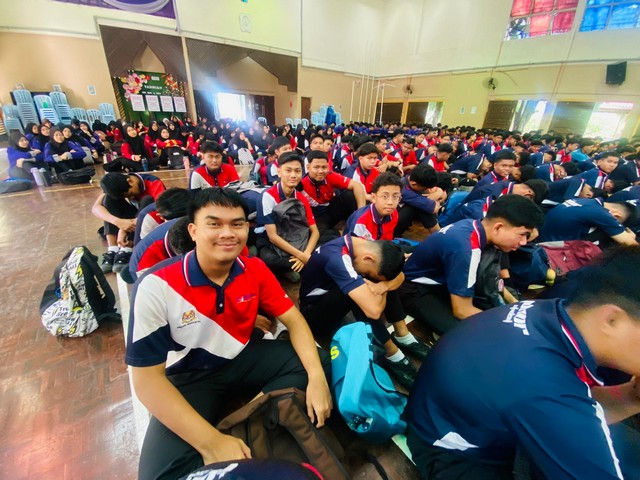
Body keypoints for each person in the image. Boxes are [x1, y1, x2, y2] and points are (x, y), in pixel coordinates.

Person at [126, 188, 332, 480]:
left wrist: (318, 379)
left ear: (247, 229)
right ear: (193, 230)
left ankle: (242, 420)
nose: (228, 233)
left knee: (320, 363)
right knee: (160, 476)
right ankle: (243, 426)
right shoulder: (156, 285)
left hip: (243, 356)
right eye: (214, 224)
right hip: (191, 377)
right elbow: (147, 380)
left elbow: (295, 321)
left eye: (237, 224)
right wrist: (210, 442)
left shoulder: (254, 268)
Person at [406, 247, 640, 480]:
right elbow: (553, 404)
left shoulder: (551, 314)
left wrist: (632, 396)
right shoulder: (543, 383)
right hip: (455, 452)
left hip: (468, 417)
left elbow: (574, 408)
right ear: (612, 320)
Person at [399, 195, 544, 335]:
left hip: (442, 280)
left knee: (489, 308)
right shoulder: (466, 249)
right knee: (472, 333)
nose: (524, 242)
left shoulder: (476, 226)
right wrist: (507, 326)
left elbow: (493, 281)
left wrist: (514, 303)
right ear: (498, 227)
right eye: (522, 234)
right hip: (414, 289)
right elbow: (462, 310)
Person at [299, 234, 420, 387]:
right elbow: (374, 311)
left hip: (332, 300)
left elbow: (399, 276)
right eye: (368, 272)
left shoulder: (362, 246)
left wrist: (383, 285)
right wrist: (382, 287)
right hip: (314, 315)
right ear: (368, 258)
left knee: (381, 277)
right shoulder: (337, 259)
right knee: (361, 293)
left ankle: (402, 334)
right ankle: (392, 354)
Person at [255, 152, 319, 282]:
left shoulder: (301, 198)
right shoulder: (268, 196)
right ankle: (294, 268)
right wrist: (302, 256)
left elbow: (315, 231)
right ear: (279, 172)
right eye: (288, 170)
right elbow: (273, 236)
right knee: (267, 258)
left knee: (330, 239)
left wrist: (306, 255)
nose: (293, 175)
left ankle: (292, 268)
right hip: (273, 241)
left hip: (296, 237)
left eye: (297, 171)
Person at [92, 172, 166, 273]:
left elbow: (160, 210)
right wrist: (118, 222)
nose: (131, 198)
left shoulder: (154, 183)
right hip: (134, 218)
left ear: (130, 181)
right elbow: (95, 208)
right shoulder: (117, 183)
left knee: (147, 200)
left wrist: (123, 229)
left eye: (130, 194)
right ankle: (113, 249)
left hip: (151, 219)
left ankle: (127, 249)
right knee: (108, 199)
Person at [300, 150, 366, 238]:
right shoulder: (301, 184)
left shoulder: (330, 176)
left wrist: (360, 213)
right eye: (316, 167)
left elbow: (357, 186)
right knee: (319, 234)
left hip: (330, 210)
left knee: (350, 195)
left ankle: (357, 224)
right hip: (316, 218)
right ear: (308, 167)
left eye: (324, 167)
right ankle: (339, 235)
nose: (321, 171)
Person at [539, 197, 638, 246]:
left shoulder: (587, 201)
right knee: (606, 235)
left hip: (542, 234)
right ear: (617, 215)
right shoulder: (602, 213)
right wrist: (631, 237)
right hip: (549, 247)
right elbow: (632, 246)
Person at [393, 163, 445, 237]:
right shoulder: (404, 190)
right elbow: (434, 208)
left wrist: (439, 192)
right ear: (414, 184)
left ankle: (439, 235)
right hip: (390, 226)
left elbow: (443, 194)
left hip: (401, 217)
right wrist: (438, 194)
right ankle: (439, 236)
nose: (427, 189)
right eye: (425, 188)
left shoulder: (415, 180)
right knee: (420, 208)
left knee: (422, 204)